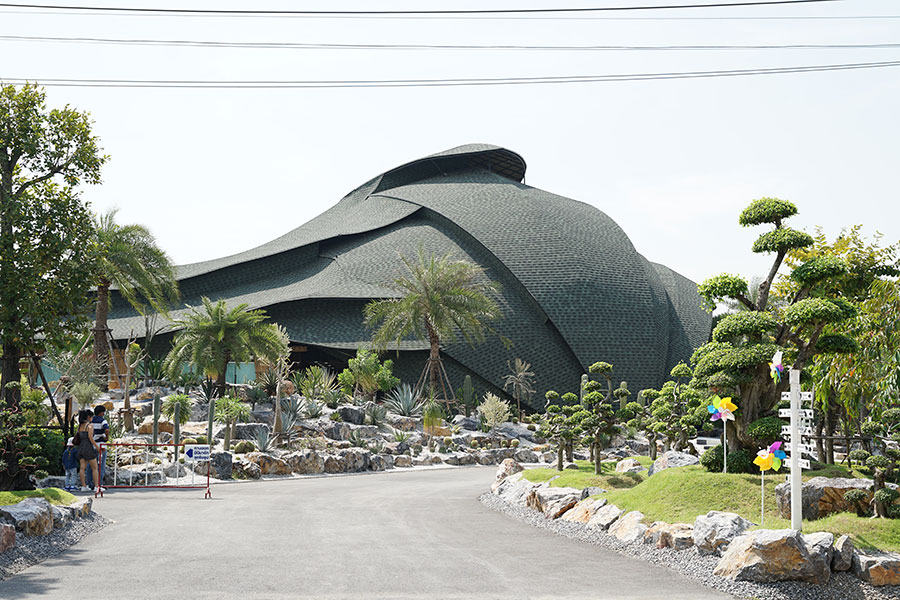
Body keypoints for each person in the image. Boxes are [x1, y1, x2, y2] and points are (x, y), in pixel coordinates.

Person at [74, 409, 101, 492]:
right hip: (88, 448)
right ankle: (96, 486)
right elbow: (90, 437)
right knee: (94, 468)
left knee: (82, 468)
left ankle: (83, 486)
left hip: (81, 448)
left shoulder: (80, 426)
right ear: (89, 417)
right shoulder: (89, 425)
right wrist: (97, 447)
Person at [85, 404, 110, 490]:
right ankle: (99, 484)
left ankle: (89, 483)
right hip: (101, 445)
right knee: (100, 465)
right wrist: (106, 437)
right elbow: (106, 429)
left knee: (90, 465)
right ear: (102, 413)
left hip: (91, 445)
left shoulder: (91, 421)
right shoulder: (103, 421)